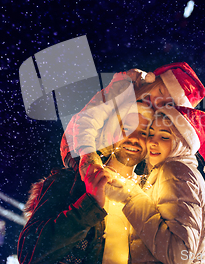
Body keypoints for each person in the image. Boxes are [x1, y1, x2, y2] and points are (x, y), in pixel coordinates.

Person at [17, 102, 154, 264]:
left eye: (144, 133)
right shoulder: (71, 182)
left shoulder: (152, 195)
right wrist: (89, 206)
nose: (134, 139)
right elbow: (29, 252)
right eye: (127, 128)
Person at [105, 105, 205, 264]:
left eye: (164, 137)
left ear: (181, 142)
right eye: (150, 134)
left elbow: (179, 254)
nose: (152, 142)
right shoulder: (174, 173)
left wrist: (132, 197)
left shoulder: (174, 171)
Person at [61, 62, 205, 180]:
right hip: (76, 143)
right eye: (160, 91)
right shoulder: (126, 86)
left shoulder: (159, 115)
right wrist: (88, 153)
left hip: (114, 155)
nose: (158, 101)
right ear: (154, 81)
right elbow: (90, 117)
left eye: (167, 103)